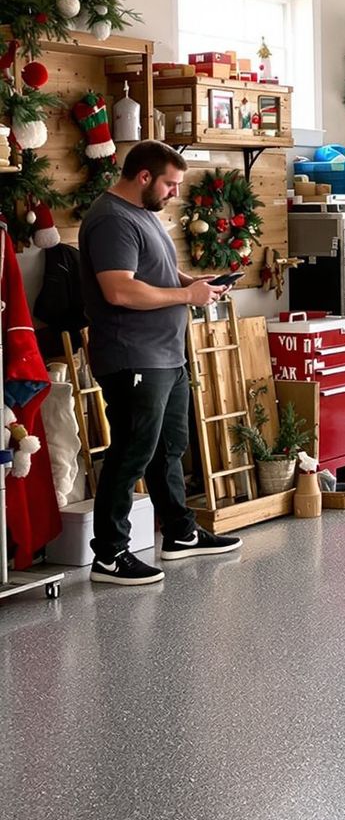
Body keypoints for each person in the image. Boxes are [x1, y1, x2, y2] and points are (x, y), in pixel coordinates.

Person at [79, 140, 241, 585]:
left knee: (169, 448)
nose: (175, 192)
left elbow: (156, 272)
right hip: (133, 356)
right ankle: (110, 555)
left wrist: (196, 283)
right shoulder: (112, 219)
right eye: (170, 184)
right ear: (144, 176)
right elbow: (119, 290)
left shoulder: (144, 214)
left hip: (165, 354)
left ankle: (180, 533)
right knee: (131, 453)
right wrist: (187, 295)